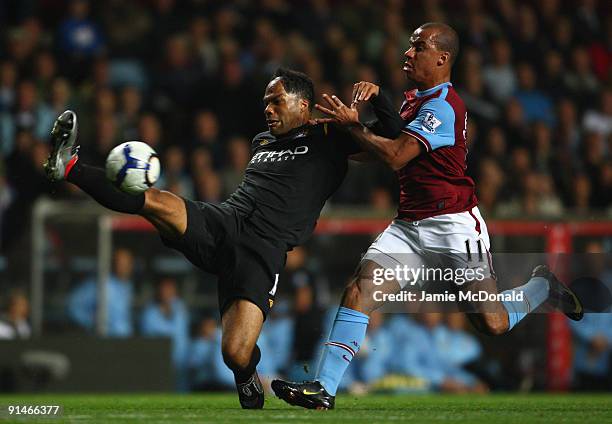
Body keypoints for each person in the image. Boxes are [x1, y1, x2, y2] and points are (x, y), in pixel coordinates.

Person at [271, 22, 583, 410]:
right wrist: (331, 138)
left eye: (417, 47)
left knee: (492, 323)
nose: (408, 53)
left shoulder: (445, 106)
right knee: (359, 290)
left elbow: (397, 155)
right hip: (408, 227)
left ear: (441, 58)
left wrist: (355, 128)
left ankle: (542, 288)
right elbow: (381, 146)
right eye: (409, 46)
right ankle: (324, 387)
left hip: (453, 226)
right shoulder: (413, 100)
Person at [43, 68, 361, 408]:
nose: (267, 109)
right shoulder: (262, 141)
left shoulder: (331, 138)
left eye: (276, 101)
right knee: (155, 200)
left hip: (262, 249)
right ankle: (69, 167)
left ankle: (246, 375)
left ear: (303, 104)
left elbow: (385, 149)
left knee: (235, 353)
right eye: (265, 102)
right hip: (225, 220)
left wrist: (361, 119)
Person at [66, 247, 134, 337]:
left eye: (127, 264)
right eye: (120, 264)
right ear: (113, 264)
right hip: (104, 341)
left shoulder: (128, 286)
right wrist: (91, 323)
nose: (124, 267)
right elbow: (73, 306)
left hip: (126, 342)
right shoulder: (100, 284)